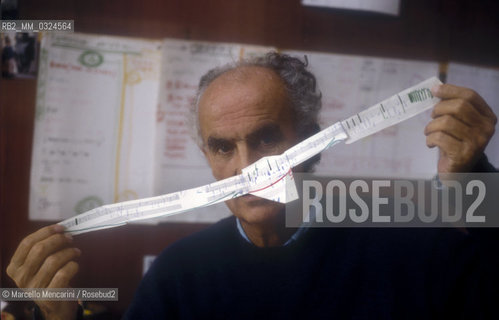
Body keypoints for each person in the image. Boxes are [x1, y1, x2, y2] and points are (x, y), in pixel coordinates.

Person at [6, 53, 497, 319]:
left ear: (310, 141)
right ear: (207, 158)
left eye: (266, 138)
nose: (246, 166)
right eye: (223, 147)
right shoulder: (181, 273)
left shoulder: (407, 242)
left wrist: (473, 179)